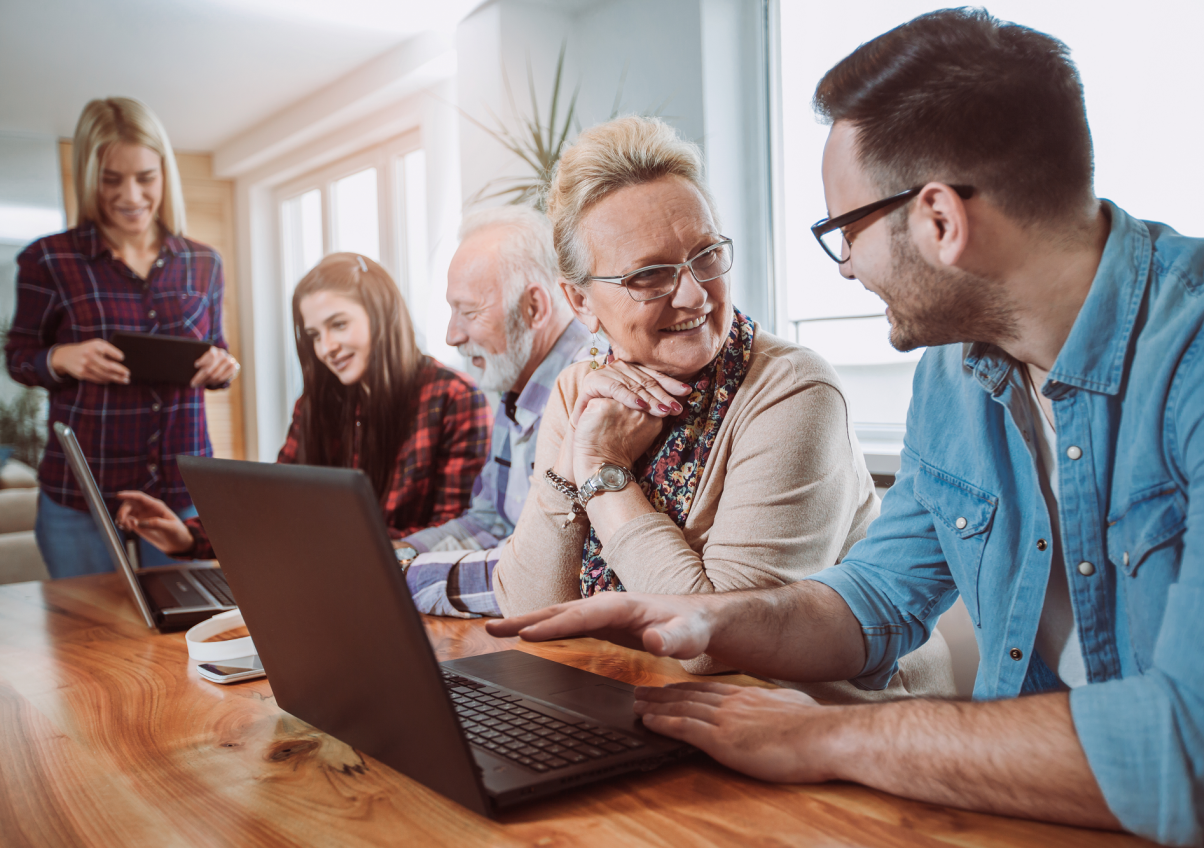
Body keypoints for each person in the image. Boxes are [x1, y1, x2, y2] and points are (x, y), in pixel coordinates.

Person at [489, 9, 1204, 845]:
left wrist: (823, 731)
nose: (848, 265)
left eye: (846, 231)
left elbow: (1187, 746)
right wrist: (712, 621)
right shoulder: (956, 370)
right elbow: (878, 598)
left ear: (940, 221)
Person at [488, 115, 952, 696]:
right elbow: (530, 612)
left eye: (705, 255)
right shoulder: (581, 390)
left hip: (835, 720)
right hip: (647, 700)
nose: (693, 294)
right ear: (580, 302)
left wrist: (604, 473)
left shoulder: (792, 390)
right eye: (650, 275)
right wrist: (573, 459)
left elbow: (716, 644)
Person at [116, 253, 491, 558]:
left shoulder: (454, 398)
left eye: (339, 324)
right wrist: (186, 535)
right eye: (314, 334)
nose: (326, 347)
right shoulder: (315, 405)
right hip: (328, 584)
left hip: (416, 593)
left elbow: (452, 532)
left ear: (381, 315)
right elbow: (277, 507)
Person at [6, 96, 239, 578]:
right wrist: (62, 358)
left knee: (185, 636)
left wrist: (224, 367)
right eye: (112, 179)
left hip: (181, 494)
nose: (131, 195)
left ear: (164, 175)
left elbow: (217, 352)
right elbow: (18, 357)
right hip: (82, 495)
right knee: (86, 643)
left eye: (144, 178)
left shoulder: (203, 262)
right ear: (90, 177)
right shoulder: (48, 261)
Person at [397, 206, 590, 616]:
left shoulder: (589, 391)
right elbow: (491, 522)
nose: (452, 336)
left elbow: (555, 577)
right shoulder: (515, 376)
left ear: (534, 308)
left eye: (469, 312)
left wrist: (406, 576)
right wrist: (397, 553)